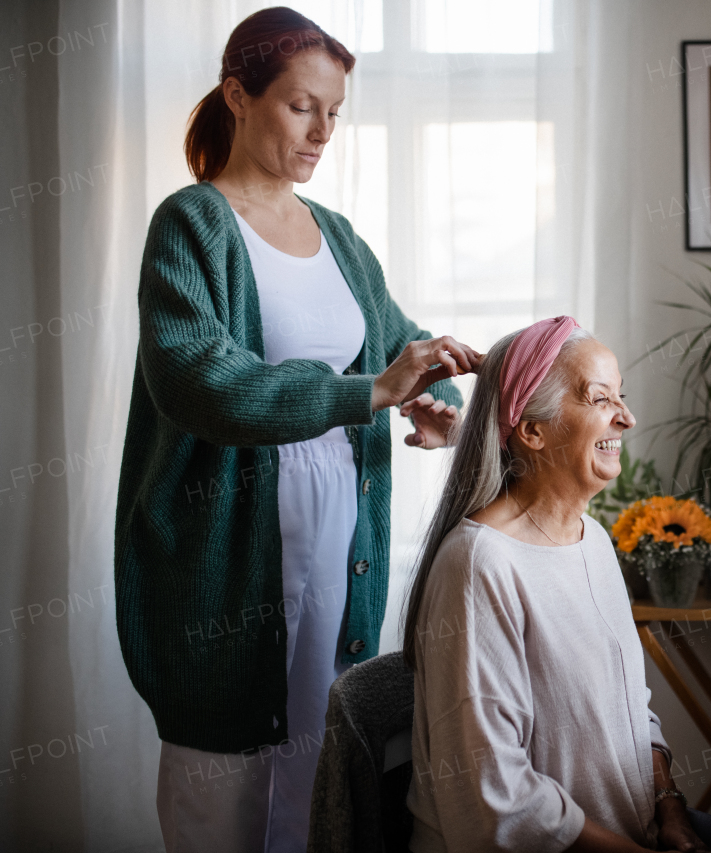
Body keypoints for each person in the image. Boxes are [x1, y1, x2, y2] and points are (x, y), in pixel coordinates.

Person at [113, 8, 482, 852]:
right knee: (221, 811)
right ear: (238, 97)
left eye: (335, 112)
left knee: (321, 802)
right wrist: (367, 393)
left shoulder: (340, 238)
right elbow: (201, 383)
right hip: (225, 571)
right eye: (300, 106)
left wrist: (434, 400)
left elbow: (397, 351)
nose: (322, 132)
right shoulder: (192, 225)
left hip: (334, 559)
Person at [401, 317, 711, 852]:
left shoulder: (592, 539)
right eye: (600, 399)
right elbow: (496, 801)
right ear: (532, 430)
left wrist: (671, 809)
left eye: (622, 396)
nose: (628, 417)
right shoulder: (480, 565)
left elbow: (630, 706)